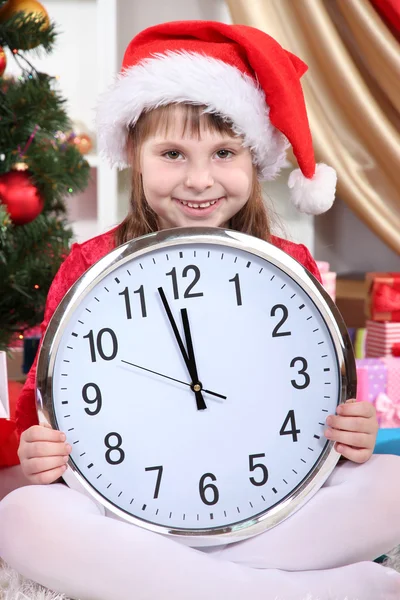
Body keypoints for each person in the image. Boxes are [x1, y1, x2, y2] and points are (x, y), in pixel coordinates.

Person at [0, 20, 399, 600]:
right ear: (135, 153)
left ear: (255, 158)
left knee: (392, 482)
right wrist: (39, 449)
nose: (199, 179)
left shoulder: (289, 265)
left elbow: (320, 401)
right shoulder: (91, 263)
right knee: (21, 515)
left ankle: (174, 580)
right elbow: (48, 406)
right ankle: (294, 590)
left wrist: (354, 432)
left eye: (223, 153)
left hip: (267, 502)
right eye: (172, 154)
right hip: (121, 508)